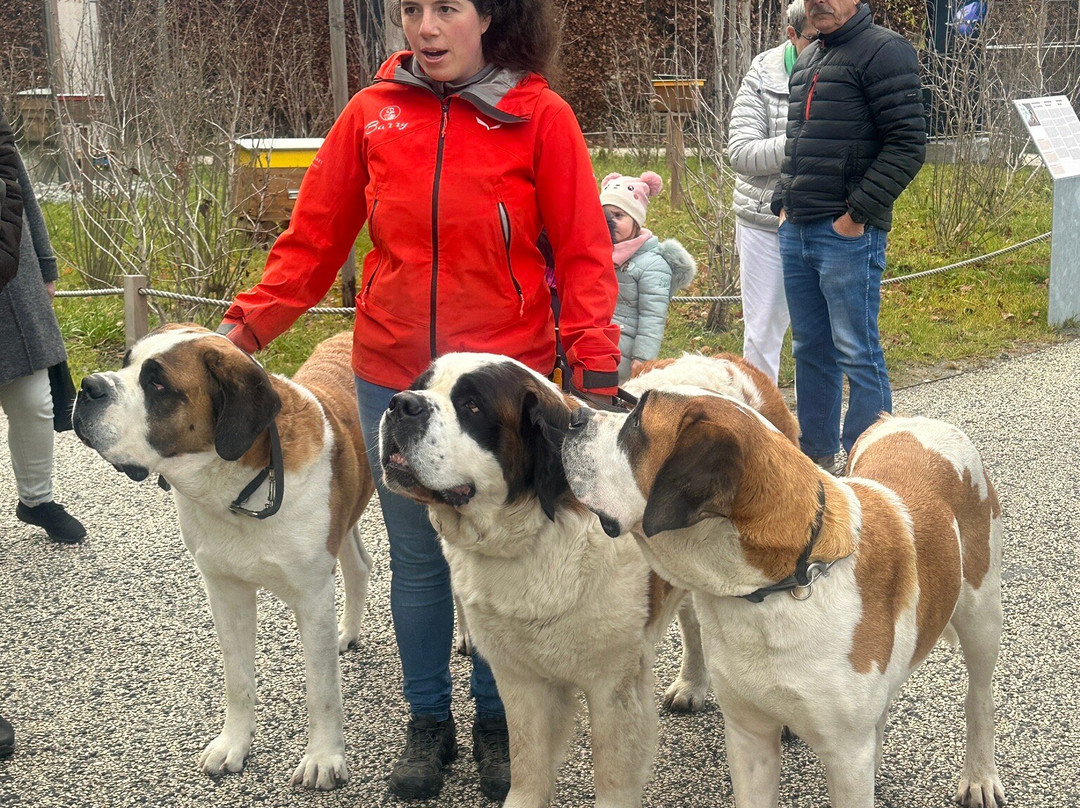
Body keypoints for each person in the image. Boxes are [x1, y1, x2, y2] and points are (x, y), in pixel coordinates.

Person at [217, 0, 620, 800]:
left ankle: (501, 723)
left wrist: (596, 370)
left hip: (500, 390)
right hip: (396, 378)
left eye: (446, 8)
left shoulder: (541, 116)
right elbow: (312, 242)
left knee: (507, 557)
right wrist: (239, 335)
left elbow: (584, 252)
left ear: (490, 16)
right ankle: (428, 721)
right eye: (411, 8)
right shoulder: (372, 114)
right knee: (419, 559)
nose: (425, 27)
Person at [771, 0, 926, 472]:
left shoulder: (885, 51)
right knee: (809, 350)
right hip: (798, 229)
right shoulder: (809, 58)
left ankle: (871, 467)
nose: (818, 1)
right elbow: (799, 142)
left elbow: (908, 144)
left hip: (846, 234)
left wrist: (855, 215)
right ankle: (816, 462)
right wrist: (783, 202)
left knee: (858, 351)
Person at [0, 113, 87, 546]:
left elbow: (25, 198)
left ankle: (36, 500)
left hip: (13, 284)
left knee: (35, 402)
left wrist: (47, 268)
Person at [728, 0, 816, 384]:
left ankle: (813, 421)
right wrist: (802, 143)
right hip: (764, 221)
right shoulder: (763, 73)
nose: (823, 45)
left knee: (820, 334)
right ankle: (760, 418)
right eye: (813, 38)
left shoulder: (847, 66)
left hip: (826, 220)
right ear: (792, 35)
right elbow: (741, 152)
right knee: (762, 333)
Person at [599, 171, 696, 382]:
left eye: (618, 215)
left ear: (636, 220)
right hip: (601, 340)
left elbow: (652, 317)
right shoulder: (602, 252)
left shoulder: (653, 264)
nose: (610, 222)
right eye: (605, 216)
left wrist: (643, 358)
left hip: (626, 351)